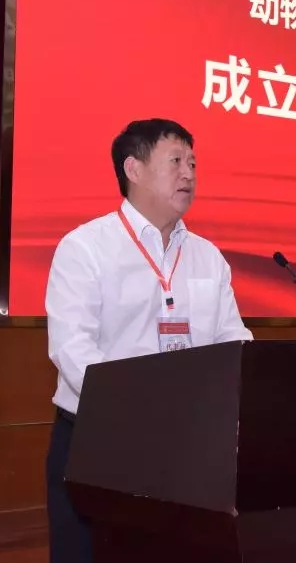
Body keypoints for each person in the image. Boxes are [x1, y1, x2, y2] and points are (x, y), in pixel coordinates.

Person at [44, 119, 253, 563]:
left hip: (190, 447)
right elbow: (73, 349)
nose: (189, 173)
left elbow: (232, 340)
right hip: (101, 441)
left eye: (193, 163)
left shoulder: (208, 257)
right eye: (176, 161)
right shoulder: (85, 248)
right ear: (133, 169)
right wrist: (144, 412)